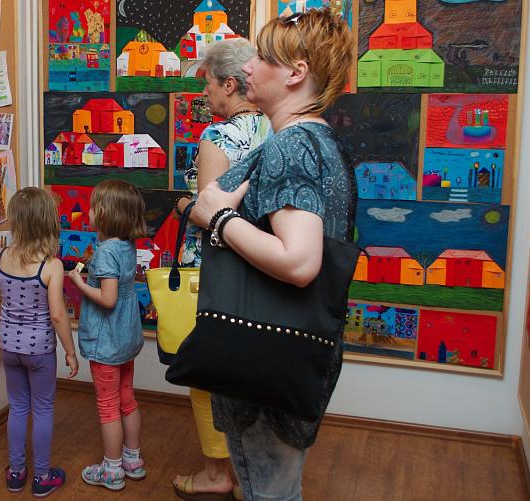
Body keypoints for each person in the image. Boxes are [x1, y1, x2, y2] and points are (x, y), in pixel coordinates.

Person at [190, 9, 356, 500]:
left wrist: (219, 218)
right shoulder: (320, 139)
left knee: (268, 492)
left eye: (262, 57)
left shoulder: (291, 146)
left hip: (264, 359)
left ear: (296, 73)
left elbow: (300, 261)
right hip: (296, 353)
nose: (248, 67)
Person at [172, 38, 271, 501]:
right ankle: (253, 473)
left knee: (207, 370)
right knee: (251, 369)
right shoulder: (276, 128)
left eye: (209, 83)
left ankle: (218, 471)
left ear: (230, 85)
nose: (205, 93)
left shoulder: (217, 138)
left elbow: (209, 214)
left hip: (215, 266)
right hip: (261, 262)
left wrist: (182, 205)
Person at [0, 187, 79, 497]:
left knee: (17, 407)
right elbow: (57, 314)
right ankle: (42, 476)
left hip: (9, 347)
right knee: (42, 409)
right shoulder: (51, 266)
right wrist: (70, 352)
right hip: (39, 350)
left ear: (17, 222)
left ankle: (16, 473)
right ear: (48, 222)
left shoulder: (3, 256)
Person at [68, 180, 147, 492]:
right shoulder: (126, 245)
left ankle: (112, 470)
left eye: (92, 206)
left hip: (107, 342)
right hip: (125, 337)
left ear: (104, 214)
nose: (87, 212)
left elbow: (108, 298)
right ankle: (133, 461)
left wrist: (79, 282)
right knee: (127, 398)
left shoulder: (105, 252)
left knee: (108, 405)